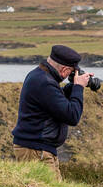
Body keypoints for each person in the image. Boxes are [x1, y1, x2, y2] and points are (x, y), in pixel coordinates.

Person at [11, 44, 90, 178]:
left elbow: (53, 102)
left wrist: (71, 87)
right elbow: (72, 116)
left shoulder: (39, 76)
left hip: (36, 148)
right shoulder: (45, 83)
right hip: (36, 151)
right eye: (71, 72)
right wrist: (78, 88)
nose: (69, 76)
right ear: (65, 69)